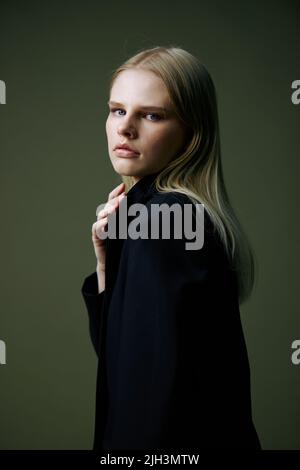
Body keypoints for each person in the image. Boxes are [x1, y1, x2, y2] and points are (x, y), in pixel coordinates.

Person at [81, 45, 262, 451]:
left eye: (152, 115)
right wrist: (107, 264)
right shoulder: (164, 214)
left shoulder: (164, 220)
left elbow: (151, 402)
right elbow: (126, 364)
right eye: (117, 110)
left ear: (191, 133)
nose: (125, 128)